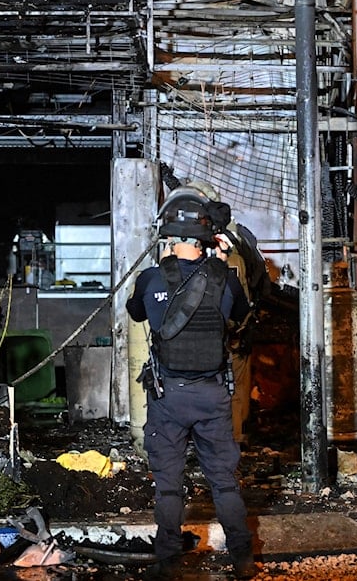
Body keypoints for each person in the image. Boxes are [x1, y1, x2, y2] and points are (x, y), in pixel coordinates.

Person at [126, 189, 256, 580]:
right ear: (206, 236)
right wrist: (219, 263)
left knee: (168, 485)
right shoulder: (226, 281)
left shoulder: (150, 279)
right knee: (224, 483)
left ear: (168, 236)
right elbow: (242, 316)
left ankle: (168, 564)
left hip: (168, 398)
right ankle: (243, 558)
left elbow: (135, 314)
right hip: (213, 395)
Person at [184, 180, 269, 447]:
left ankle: (219, 446)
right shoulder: (238, 238)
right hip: (230, 331)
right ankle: (230, 444)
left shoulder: (204, 245)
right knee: (233, 391)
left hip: (210, 336)